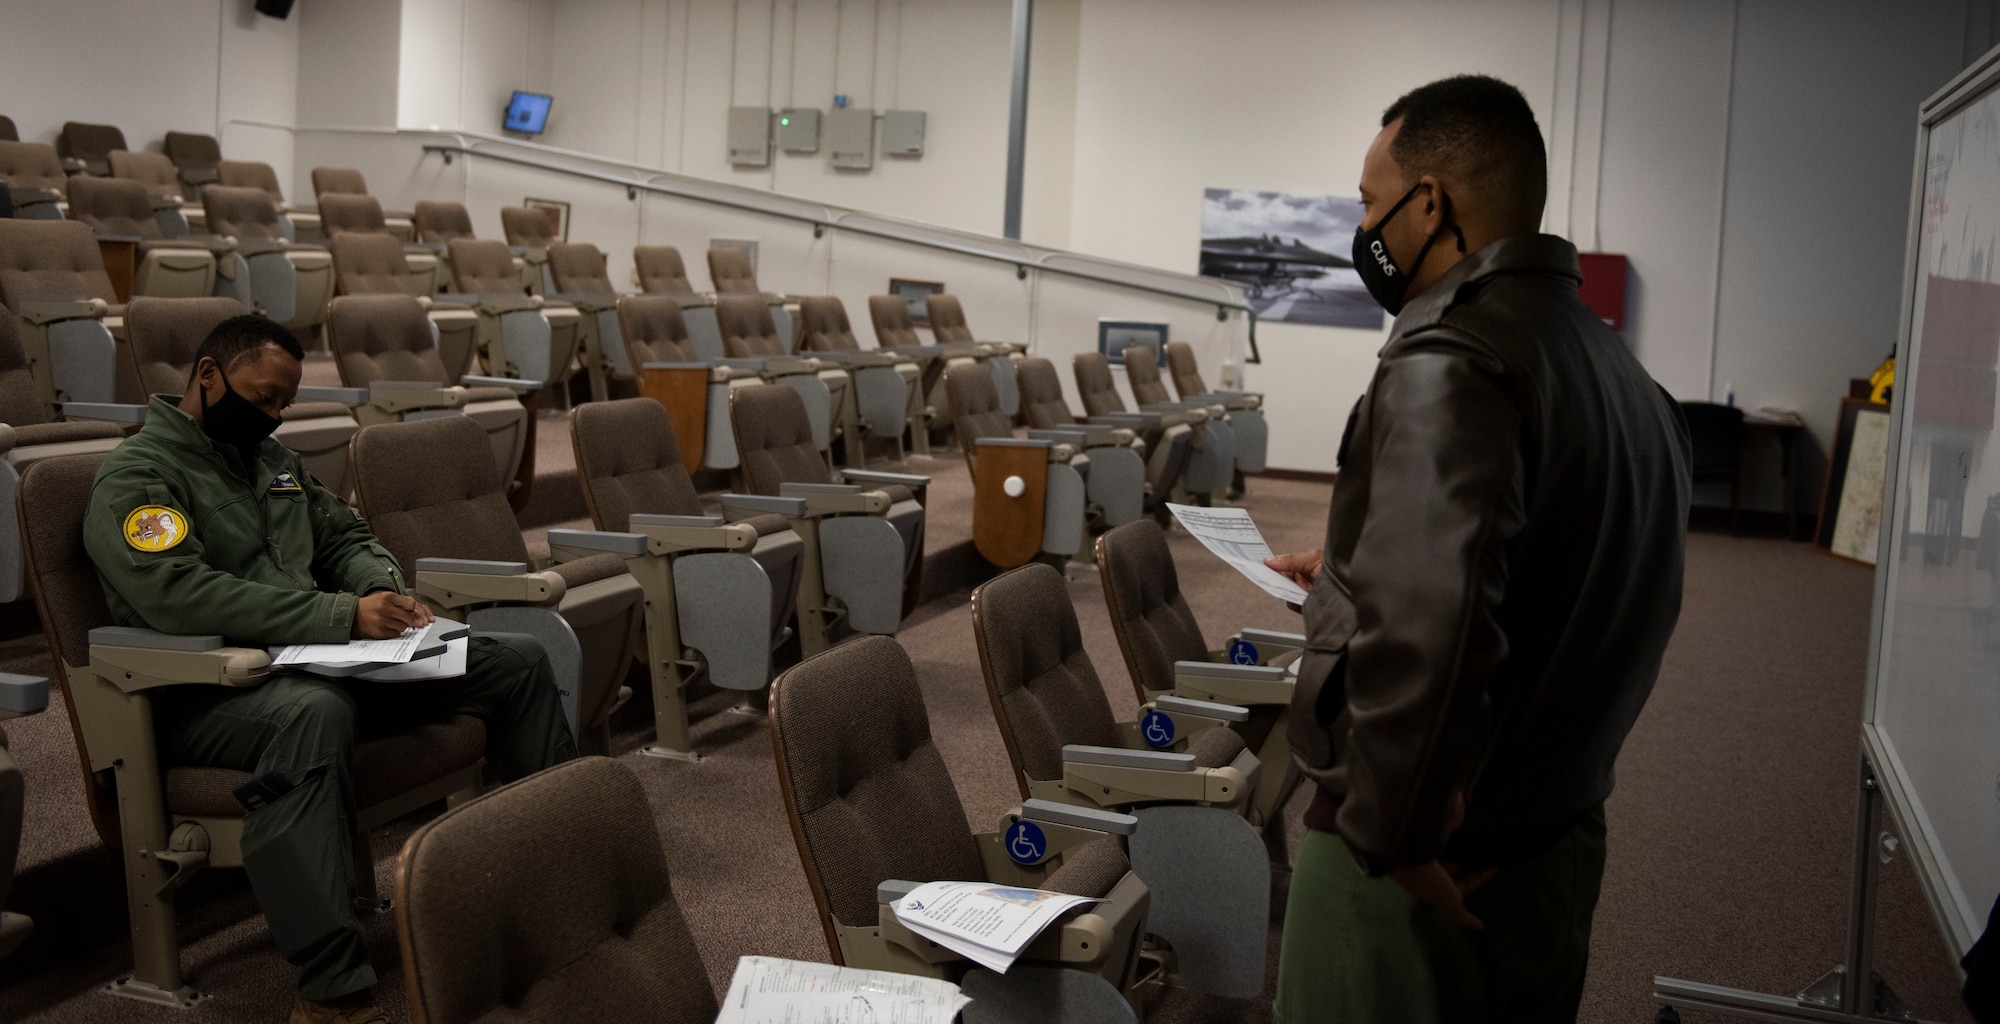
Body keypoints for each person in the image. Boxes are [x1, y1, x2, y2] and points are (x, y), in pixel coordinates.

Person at [1266, 75, 1692, 1023]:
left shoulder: (1451, 357)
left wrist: (1396, 835)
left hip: (1415, 881)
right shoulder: (1623, 376)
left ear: (1431, 206)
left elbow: (1431, 623)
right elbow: (1575, 587)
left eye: (1374, 204)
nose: (1366, 227)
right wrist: (1349, 572)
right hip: (1552, 850)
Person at [84, 315, 578, 1024]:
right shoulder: (138, 478)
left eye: (284, 403)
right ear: (206, 377)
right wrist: (340, 618)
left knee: (516, 661)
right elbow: (176, 596)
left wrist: (375, 587)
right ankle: (331, 989)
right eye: (262, 398)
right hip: (203, 695)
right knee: (314, 713)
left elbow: (344, 533)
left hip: (318, 665)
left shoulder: (271, 461)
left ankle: (554, 895)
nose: (274, 415)